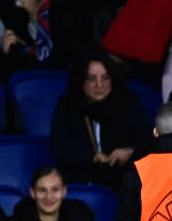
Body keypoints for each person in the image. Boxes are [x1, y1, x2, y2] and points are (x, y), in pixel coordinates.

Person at [49, 52, 149, 187]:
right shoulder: (67, 106)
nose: (99, 84)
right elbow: (62, 150)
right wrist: (93, 158)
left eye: (105, 78)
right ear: (81, 81)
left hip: (122, 180)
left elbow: (146, 142)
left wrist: (129, 152)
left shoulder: (128, 103)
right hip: (80, 178)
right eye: (91, 79)